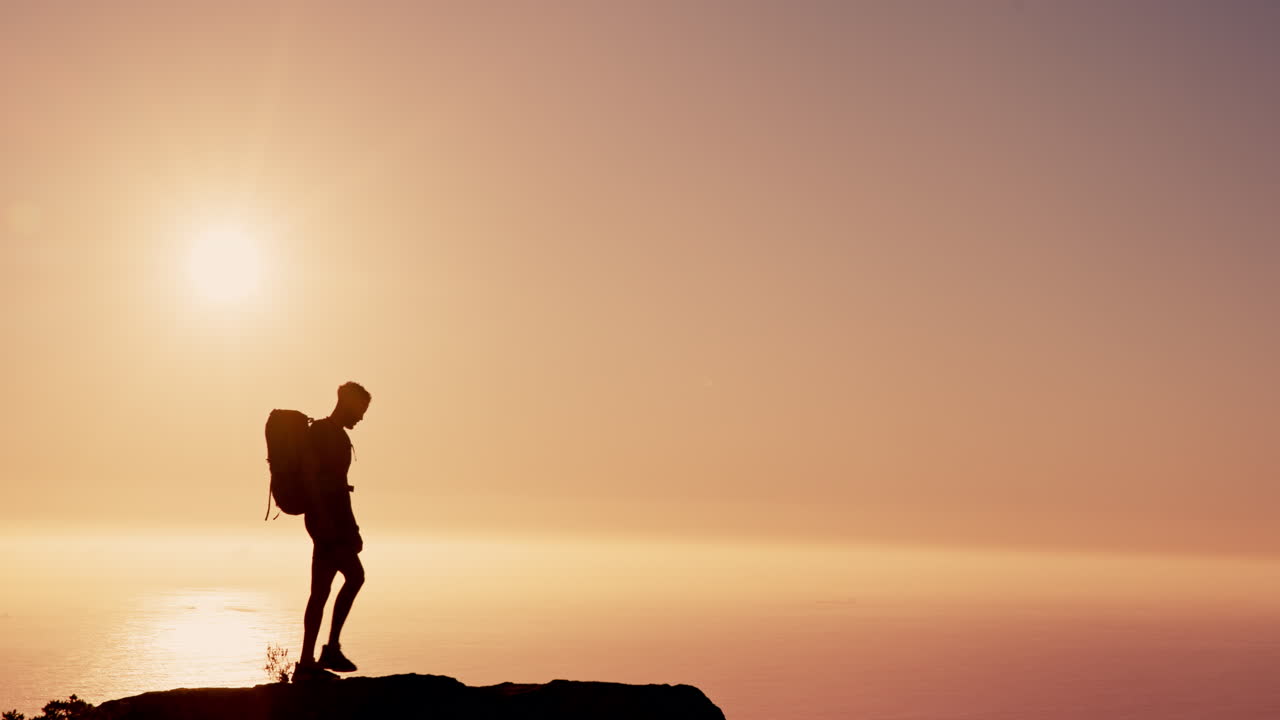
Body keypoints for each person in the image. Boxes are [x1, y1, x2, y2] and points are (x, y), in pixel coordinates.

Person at [294, 381, 372, 682]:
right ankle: (330, 649)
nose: (361, 418)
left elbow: (328, 483)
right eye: (360, 410)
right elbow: (326, 483)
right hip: (329, 522)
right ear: (348, 403)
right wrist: (343, 527)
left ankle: (305, 663)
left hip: (322, 520)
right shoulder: (329, 436)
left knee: (320, 592)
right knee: (355, 576)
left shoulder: (325, 433)